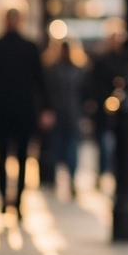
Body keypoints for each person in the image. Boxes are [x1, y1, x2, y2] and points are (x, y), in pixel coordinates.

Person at [0, 2, 48, 218]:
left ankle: (12, 199)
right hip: (15, 108)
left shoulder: (1, 47)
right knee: (9, 157)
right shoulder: (25, 47)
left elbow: (40, 81)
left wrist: (45, 108)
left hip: (11, 108)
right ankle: (9, 198)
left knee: (12, 156)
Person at [84, 22, 128, 183]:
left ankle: (114, 171)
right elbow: (93, 82)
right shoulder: (101, 58)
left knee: (116, 143)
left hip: (121, 107)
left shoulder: (125, 57)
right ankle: (102, 171)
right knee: (103, 142)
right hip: (102, 105)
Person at [44, 41, 85, 198]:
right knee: (67, 146)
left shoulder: (55, 70)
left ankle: (59, 178)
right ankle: (67, 178)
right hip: (70, 113)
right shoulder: (75, 70)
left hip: (63, 113)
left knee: (61, 146)